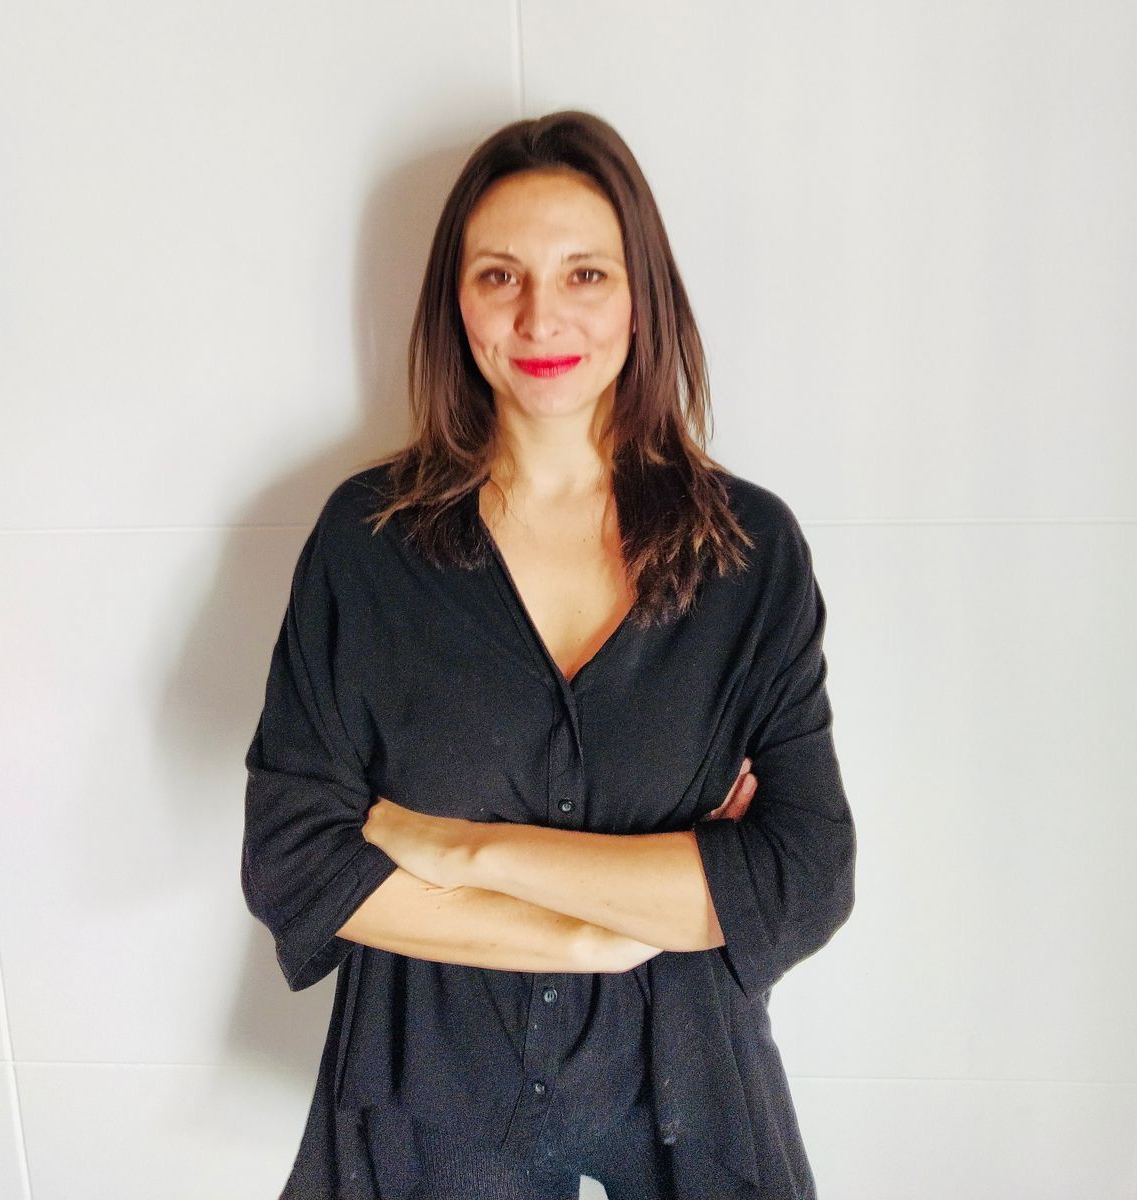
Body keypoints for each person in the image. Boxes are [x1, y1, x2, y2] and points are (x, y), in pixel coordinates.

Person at [241, 109, 857, 1200]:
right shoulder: (366, 542)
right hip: (428, 1092)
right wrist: (597, 933)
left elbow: (804, 880)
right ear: (457, 301)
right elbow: (294, 861)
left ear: (641, 295)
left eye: (585, 274)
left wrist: (458, 849)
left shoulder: (748, 551)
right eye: (500, 276)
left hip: (689, 1091)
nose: (541, 317)